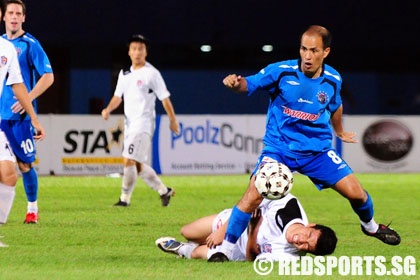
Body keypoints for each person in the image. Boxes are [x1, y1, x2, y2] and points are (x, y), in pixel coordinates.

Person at [208, 25, 400, 262]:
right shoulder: (281, 71)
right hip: (279, 150)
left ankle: (370, 227)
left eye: (314, 51)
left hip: (316, 152)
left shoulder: (333, 79)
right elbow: (249, 84)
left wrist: (338, 131)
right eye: (303, 49)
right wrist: (235, 84)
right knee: (253, 195)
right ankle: (225, 250)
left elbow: (335, 104)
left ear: (326, 52)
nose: (307, 56)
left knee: (358, 194)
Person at [101, 34, 180, 207]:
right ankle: (163, 190)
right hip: (129, 124)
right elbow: (117, 97)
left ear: (146, 52)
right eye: (134, 49)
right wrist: (108, 109)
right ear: (129, 52)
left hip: (143, 124)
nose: (137, 52)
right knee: (135, 164)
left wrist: (172, 120)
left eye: (141, 49)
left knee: (128, 159)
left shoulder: (152, 74)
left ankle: (124, 199)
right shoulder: (125, 74)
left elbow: (164, 98)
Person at [155, 193, 337, 261]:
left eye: (306, 247)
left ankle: (183, 250)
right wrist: (225, 230)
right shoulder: (288, 204)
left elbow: (252, 258)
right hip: (234, 221)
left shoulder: (288, 257)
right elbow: (250, 201)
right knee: (187, 231)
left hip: (239, 249)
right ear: (311, 225)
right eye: (308, 235)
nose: (300, 241)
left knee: (198, 253)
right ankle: (194, 243)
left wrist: (254, 229)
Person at [1, 0, 54, 224]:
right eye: (10, 12)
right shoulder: (1, 44)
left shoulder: (30, 44)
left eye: (18, 13)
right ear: (3, 16)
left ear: (24, 18)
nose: (14, 17)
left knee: (24, 164)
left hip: (18, 117)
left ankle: (32, 209)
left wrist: (28, 101)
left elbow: (48, 77)